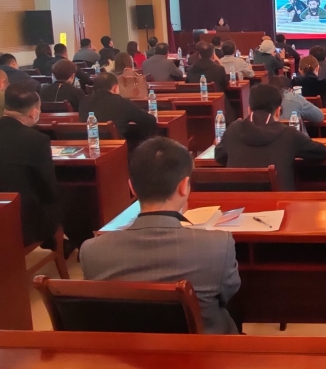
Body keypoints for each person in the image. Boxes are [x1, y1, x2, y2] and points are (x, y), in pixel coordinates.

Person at [80, 137, 241, 334]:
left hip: (130, 351)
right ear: (184, 186)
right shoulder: (218, 246)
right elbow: (229, 294)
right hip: (204, 350)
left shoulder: (91, 251)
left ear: (132, 187)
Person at [0, 82, 64, 249]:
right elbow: (48, 188)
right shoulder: (37, 140)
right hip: (23, 222)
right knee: (66, 196)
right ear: (34, 113)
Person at [214, 84, 326, 191]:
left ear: (249, 109)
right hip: (279, 204)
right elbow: (322, 152)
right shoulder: (289, 134)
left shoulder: (233, 129)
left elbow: (219, 156)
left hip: (238, 204)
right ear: (278, 111)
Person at [79, 73, 157, 140]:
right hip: (117, 148)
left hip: (89, 145)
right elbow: (150, 120)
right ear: (115, 87)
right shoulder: (122, 102)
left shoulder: (84, 101)